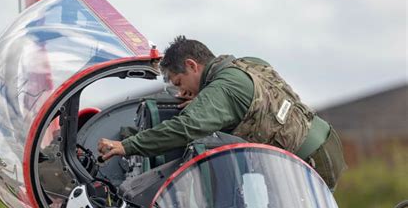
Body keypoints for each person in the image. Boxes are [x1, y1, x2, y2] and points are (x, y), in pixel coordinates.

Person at [98, 36, 346, 190]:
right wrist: (203, 94)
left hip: (311, 162)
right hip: (325, 139)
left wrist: (126, 146)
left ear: (192, 65)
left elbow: (184, 128)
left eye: (178, 81)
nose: (180, 90)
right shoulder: (245, 63)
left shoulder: (222, 89)